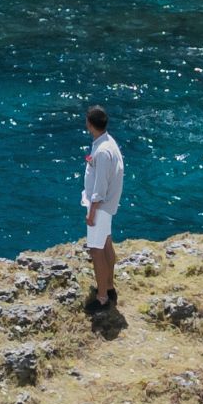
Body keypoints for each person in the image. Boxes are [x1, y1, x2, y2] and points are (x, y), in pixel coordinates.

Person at [80, 103, 122, 314]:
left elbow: (100, 188)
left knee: (96, 250)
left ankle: (102, 297)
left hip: (100, 208)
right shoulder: (108, 142)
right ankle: (110, 287)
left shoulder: (103, 152)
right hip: (107, 207)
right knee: (105, 244)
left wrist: (92, 212)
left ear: (90, 124)